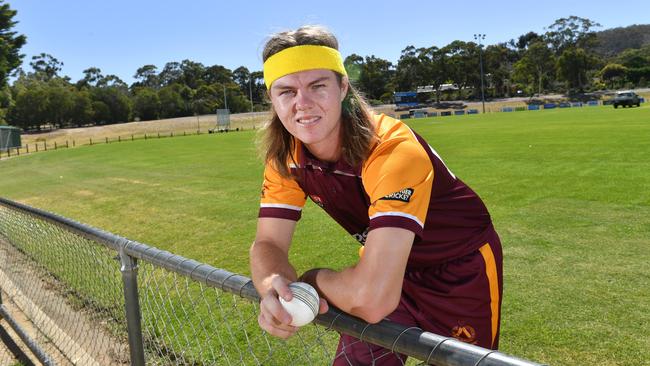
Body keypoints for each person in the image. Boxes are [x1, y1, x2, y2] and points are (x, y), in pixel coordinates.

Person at [249, 25, 503, 365]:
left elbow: (372, 299)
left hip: (458, 271)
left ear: (342, 87)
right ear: (272, 99)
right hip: (382, 265)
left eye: (317, 86)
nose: (302, 104)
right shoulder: (286, 157)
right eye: (286, 91)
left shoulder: (391, 149)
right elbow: (268, 244)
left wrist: (311, 281)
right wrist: (273, 285)